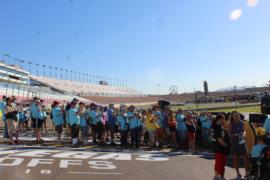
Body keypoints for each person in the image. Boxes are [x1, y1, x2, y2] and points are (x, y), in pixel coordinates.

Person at [229, 111, 249, 180]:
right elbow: (230, 135)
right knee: (235, 159)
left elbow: (244, 131)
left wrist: (244, 134)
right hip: (235, 143)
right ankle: (238, 174)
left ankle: (246, 173)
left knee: (246, 158)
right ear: (233, 117)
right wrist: (235, 134)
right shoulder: (231, 124)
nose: (237, 117)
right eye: (235, 116)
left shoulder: (242, 123)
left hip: (242, 142)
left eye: (238, 116)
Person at [211, 114, 231, 180]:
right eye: (223, 118)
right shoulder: (217, 127)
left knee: (218, 163)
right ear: (220, 119)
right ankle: (220, 176)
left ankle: (216, 176)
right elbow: (219, 138)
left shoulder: (215, 125)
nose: (224, 120)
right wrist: (225, 145)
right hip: (220, 148)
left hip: (216, 147)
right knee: (221, 164)